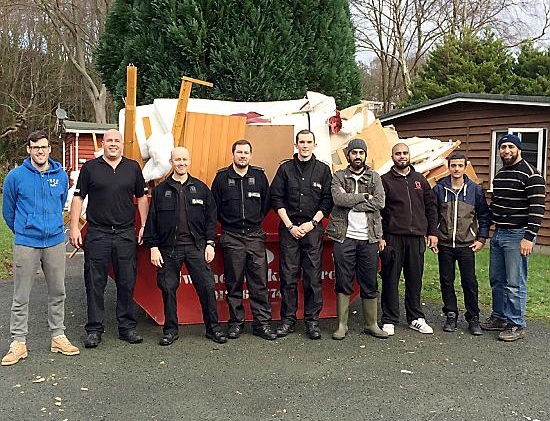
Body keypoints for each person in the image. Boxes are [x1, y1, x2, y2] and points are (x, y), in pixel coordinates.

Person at [1, 131, 79, 366]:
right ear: (29, 149)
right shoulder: (16, 176)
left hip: (55, 241)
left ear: (49, 149)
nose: (40, 151)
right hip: (26, 242)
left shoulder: (60, 176)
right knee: (21, 295)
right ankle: (18, 343)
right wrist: (23, 231)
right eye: (35, 148)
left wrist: (52, 227)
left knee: (58, 291)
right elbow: (8, 210)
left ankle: (58, 336)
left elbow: (60, 202)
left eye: (44, 147)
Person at [69, 129, 148, 348]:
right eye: (109, 141)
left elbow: (141, 198)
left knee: (127, 281)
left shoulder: (132, 167)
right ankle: (94, 329)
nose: (113, 144)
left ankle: (127, 327)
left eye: (117, 141)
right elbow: (78, 198)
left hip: (125, 233)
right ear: (103, 143)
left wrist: (144, 225)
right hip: (97, 233)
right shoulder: (90, 168)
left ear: (122, 144)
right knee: (95, 283)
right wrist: (74, 227)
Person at [143, 147, 228, 345]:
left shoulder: (200, 188)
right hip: (168, 248)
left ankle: (213, 328)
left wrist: (210, 244)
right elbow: (152, 221)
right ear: (171, 162)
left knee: (207, 287)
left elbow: (210, 219)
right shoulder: (161, 190)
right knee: (168, 288)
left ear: (189, 162)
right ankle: (171, 330)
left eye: (184, 160)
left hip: (196, 247)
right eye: (177, 160)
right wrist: (153, 247)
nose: (181, 163)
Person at [481, 134, 545, 342]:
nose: (506, 150)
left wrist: (529, 237)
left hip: (518, 235)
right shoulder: (499, 176)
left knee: (515, 282)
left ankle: (516, 323)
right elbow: (496, 206)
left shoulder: (532, 175)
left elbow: (537, 209)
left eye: (510, 147)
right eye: (503, 147)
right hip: (499, 233)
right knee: (497, 279)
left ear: (518, 149)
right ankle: (499, 317)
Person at [270, 129, 333, 339]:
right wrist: (290, 226)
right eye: (301, 142)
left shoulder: (323, 170)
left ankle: (312, 322)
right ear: (296, 145)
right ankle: (288, 320)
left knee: (313, 277)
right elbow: (276, 198)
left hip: (312, 230)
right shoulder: (285, 169)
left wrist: (312, 223)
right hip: (289, 229)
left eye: (309, 142)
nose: (305, 146)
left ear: (315, 145)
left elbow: (327, 201)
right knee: (288, 277)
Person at [211, 139, 276, 340]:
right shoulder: (222, 178)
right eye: (239, 152)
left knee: (259, 283)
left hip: (255, 235)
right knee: (234, 282)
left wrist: (254, 221)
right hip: (232, 236)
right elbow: (215, 208)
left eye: (246, 152)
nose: (242, 156)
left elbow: (266, 204)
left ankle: (262, 324)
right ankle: (236, 323)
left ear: (251, 155)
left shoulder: (259, 176)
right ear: (233, 154)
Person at [326, 138, 388, 340]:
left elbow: (380, 202)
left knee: (369, 280)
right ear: (348, 155)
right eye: (354, 153)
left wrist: (352, 200)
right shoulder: (338, 176)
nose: (358, 156)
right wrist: (364, 197)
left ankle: (372, 324)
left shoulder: (374, 177)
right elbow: (337, 199)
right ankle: (342, 325)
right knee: (343, 280)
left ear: (365, 155)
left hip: (369, 238)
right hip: (344, 237)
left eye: (361, 152)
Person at [379, 143, 438, 336]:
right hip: (392, 238)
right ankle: (389, 319)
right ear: (392, 156)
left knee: (414, 279)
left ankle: (415, 318)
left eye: (405, 153)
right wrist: (381, 236)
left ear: (409, 155)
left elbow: (430, 207)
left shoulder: (419, 179)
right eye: (398, 154)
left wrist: (432, 232)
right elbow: (378, 211)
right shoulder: (385, 181)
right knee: (390, 279)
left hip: (416, 239)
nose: (402, 156)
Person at [433, 152, 490, 336]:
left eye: (460, 166)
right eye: (453, 165)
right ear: (448, 166)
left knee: (469, 282)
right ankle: (451, 314)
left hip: (467, 244)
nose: (456, 169)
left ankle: (473, 318)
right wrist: (433, 235)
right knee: (446, 280)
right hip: (445, 244)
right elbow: (432, 215)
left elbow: (484, 216)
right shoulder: (439, 189)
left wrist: (481, 239)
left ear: (465, 167)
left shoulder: (474, 190)